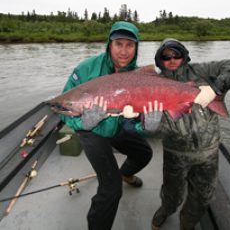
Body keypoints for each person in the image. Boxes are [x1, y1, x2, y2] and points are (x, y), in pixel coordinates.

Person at [60, 21, 162, 230]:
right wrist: (83, 122)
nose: (124, 51)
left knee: (145, 154)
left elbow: (133, 122)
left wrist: (147, 127)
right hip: (92, 131)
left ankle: (125, 173)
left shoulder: (139, 76)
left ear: (136, 47)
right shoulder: (86, 69)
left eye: (129, 45)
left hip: (117, 126)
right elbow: (64, 106)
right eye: (119, 44)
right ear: (109, 45)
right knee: (111, 189)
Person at [151, 38, 230, 230]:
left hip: (208, 153)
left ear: (184, 55)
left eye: (176, 54)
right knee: (172, 192)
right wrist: (148, 121)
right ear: (159, 59)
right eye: (165, 56)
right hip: (175, 152)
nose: (171, 59)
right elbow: (153, 126)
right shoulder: (154, 82)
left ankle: (187, 223)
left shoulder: (202, 71)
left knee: (203, 196)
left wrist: (216, 89)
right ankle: (166, 210)